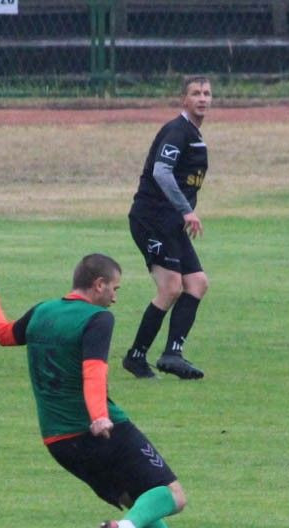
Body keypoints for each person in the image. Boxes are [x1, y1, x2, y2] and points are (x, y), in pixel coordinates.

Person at [0, 254, 223, 528]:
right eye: (114, 288)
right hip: (98, 429)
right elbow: (94, 370)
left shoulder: (42, 311)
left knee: (138, 502)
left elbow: (4, 334)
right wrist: (98, 415)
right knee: (172, 495)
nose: (116, 297)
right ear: (98, 285)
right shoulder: (97, 318)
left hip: (58, 443)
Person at [121, 75, 214, 381]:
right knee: (171, 286)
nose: (202, 98)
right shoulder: (177, 131)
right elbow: (162, 172)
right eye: (196, 93)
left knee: (197, 283)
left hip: (169, 223)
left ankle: (172, 354)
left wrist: (184, 212)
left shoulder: (193, 134)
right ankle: (136, 357)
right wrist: (188, 211)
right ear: (183, 100)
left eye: (207, 93)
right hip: (151, 221)